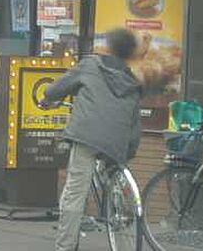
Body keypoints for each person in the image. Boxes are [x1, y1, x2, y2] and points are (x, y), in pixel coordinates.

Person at [44, 28, 148, 251]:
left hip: (87, 136)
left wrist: (48, 97)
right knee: (112, 163)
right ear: (130, 53)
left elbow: (55, 90)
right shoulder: (133, 82)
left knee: (75, 191)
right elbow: (134, 126)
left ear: (108, 46)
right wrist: (128, 152)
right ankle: (119, 200)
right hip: (117, 140)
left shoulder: (90, 65)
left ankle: (65, 246)